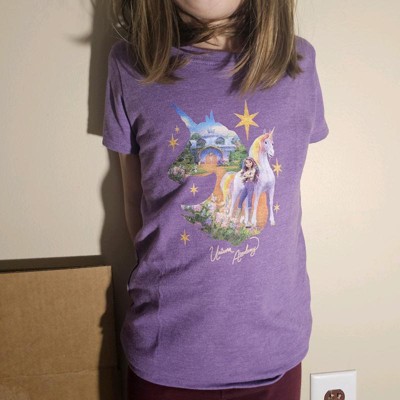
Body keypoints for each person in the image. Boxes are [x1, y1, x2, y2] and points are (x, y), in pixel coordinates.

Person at [101, 0, 330, 399]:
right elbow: (134, 197)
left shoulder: (298, 63)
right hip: (165, 353)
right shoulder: (130, 64)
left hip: (274, 349)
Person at [236, 157, 260, 227]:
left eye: (250, 162)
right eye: (246, 163)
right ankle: (236, 219)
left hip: (251, 186)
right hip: (246, 186)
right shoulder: (246, 170)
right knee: (240, 200)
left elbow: (252, 177)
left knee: (249, 201)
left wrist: (246, 175)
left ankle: (249, 221)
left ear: (252, 162)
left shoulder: (254, 169)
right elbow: (242, 178)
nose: (248, 164)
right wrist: (246, 175)